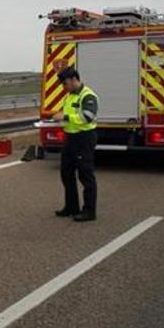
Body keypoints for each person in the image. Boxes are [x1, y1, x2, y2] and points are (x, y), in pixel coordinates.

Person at [52, 67, 99, 222]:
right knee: (66, 173)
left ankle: (89, 211)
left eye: (65, 84)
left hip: (84, 139)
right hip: (70, 138)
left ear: (73, 79)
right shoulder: (69, 96)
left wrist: (64, 116)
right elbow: (69, 117)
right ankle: (71, 207)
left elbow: (88, 117)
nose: (63, 87)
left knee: (85, 175)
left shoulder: (88, 95)